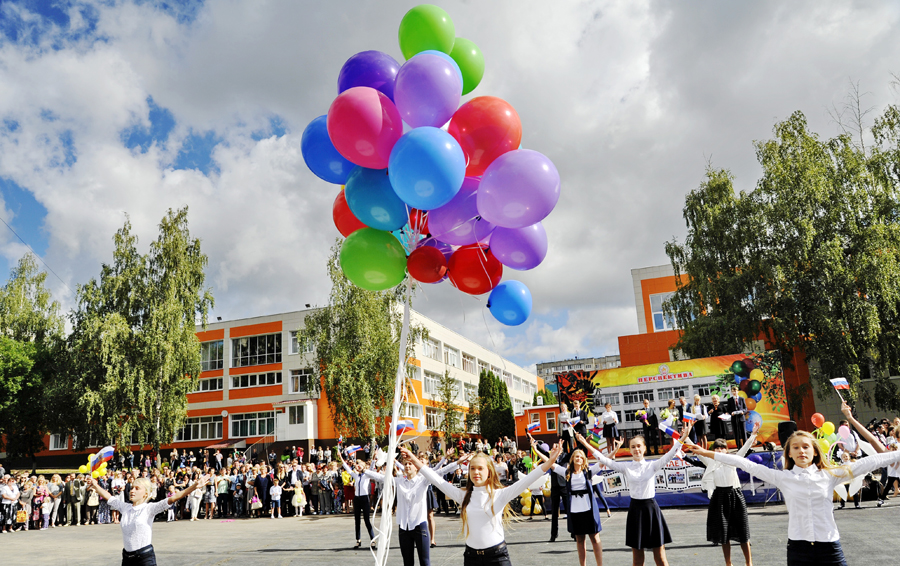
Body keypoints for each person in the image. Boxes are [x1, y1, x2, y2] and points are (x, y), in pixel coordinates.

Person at [687, 429, 900, 566]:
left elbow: (871, 462)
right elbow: (745, 464)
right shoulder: (783, 478)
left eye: (806, 447)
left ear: (815, 452)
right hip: (798, 550)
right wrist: (706, 453)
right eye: (795, 448)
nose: (801, 451)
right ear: (788, 453)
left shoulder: (830, 475)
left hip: (830, 547)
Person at [403, 441, 564, 566]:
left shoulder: (500, 495)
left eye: (480, 468)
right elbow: (436, 480)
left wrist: (551, 461)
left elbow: (529, 479)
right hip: (471, 558)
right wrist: (414, 459)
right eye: (472, 469)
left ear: (489, 472)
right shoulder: (463, 496)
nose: (476, 472)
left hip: (498, 557)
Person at [581, 422, 693, 566]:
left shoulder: (652, 465)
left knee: (660, 557)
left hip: (651, 510)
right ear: (630, 449)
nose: (636, 449)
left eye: (639, 446)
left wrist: (683, 437)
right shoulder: (625, 467)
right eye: (633, 447)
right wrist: (585, 443)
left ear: (644, 448)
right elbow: (603, 459)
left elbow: (670, 454)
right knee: (637, 560)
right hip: (635, 511)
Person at [85, 473, 209, 566]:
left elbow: (174, 498)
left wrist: (194, 486)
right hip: (127, 558)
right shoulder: (125, 507)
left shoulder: (150, 508)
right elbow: (108, 496)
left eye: (137, 488)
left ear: (145, 493)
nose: (132, 491)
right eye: (132, 487)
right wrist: (96, 486)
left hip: (144, 557)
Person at [693, 422, 760, 566]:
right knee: (724, 535)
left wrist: (753, 434)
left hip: (735, 495)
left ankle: (749, 563)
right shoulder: (710, 462)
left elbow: (744, 449)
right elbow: (698, 451)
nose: (720, 450)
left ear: (727, 450)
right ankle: (728, 563)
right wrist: (685, 438)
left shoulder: (733, 461)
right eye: (717, 448)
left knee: (743, 532)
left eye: (723, 448)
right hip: (719, 497)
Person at [534, 440, 606, 566]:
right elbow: (550, 463)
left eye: (581, 457)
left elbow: (604, 460)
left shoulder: (588, 472)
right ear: (572, 459)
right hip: (575, 512)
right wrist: (536, 451)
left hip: (589, 510)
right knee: (579, 540)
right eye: (576, 456)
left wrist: (615, 450)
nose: (578, 458)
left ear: (584, 460)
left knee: (595, 538)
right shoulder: (566, 473)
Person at [338, 453, 377, 549]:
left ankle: (373, 540)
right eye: (357, 465)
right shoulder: (356, 476)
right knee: (357, 520)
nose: (358, 467)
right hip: (357, 499)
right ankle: (358, 540)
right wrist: (340, 457)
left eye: (360, 465)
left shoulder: (367, 475)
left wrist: (374, 458)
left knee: (367, 520)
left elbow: (372, 467)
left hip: (364, 498)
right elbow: (347, 468)